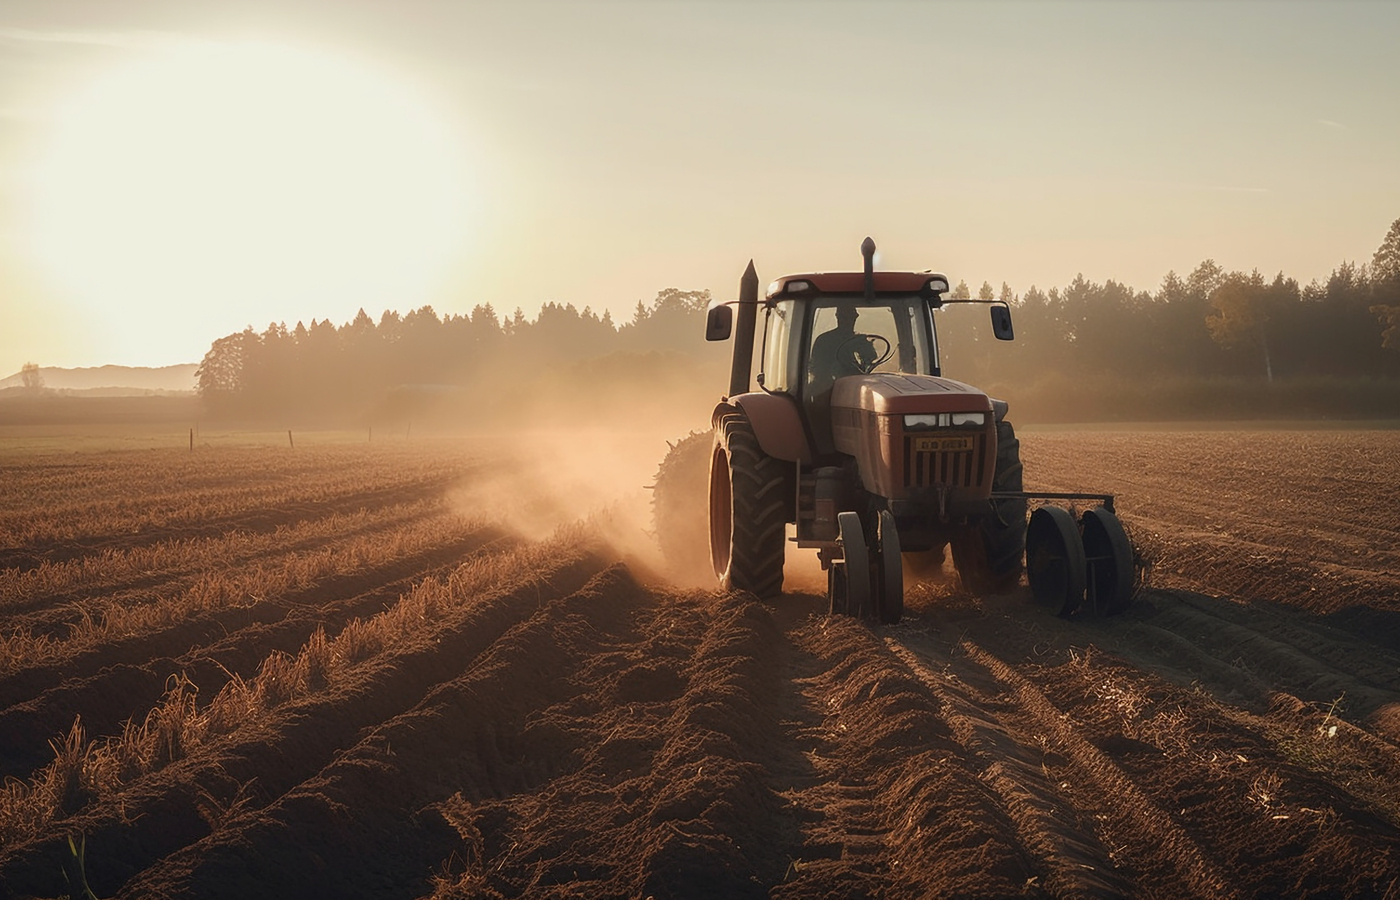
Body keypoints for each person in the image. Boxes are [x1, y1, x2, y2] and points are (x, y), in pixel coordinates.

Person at [808, 306, 877, 391]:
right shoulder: (825, 340)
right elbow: (817, 369)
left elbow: (871, 362)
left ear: (855, 316)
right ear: (837, 317)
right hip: (828, 388)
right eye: (844, 317)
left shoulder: (861, 341)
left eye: (850, 316)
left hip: (857, 385)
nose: (847, 320)